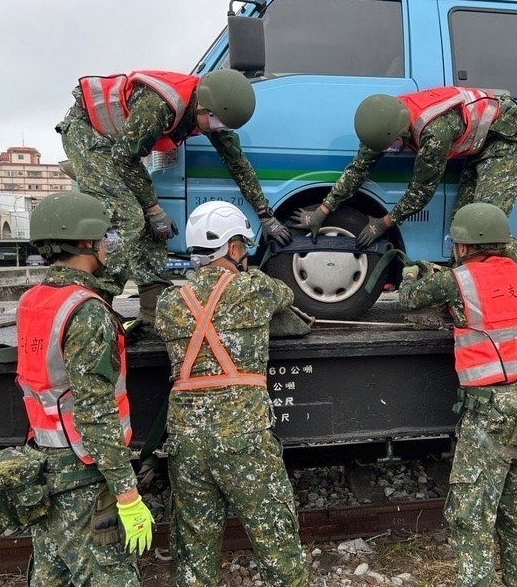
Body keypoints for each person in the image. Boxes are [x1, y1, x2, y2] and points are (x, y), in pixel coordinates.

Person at [56, 68, 291, 341]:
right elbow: (124, 158)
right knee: (129, 217)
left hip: (120, 145)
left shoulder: (211, 114)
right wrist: (154, 210)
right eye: (216, 123)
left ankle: (151, 311)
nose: (218, 130)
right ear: (203, 107)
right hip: (89, 135)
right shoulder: (160, 107)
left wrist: (265, 215)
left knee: (153, 227)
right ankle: (96, 308)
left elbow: (238, 164)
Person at [398, 203, 517, 587]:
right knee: (515, 513)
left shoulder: (459, 280)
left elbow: (410, 298)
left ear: (463, 245)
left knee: (470, 519)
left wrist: (410, 273)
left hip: (491, 415)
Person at [290, 86, 517, 325]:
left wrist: (384, 223)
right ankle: (459, 299)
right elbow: (358, 169)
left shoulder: (434, 132)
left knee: (483, 225)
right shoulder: (383, 122)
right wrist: (323, 210)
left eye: (394, 146)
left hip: (506, 140)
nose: (393, 150)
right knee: (462, 226)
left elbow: (421, 192)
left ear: (402, 132)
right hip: (478, 144)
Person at [155, 201, 308, 586]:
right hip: (244, 438)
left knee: (193, 553)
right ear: (235, 249)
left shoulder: (169, 302)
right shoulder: (254, 289)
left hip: (185, 442)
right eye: (242, 245)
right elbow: (286, 296)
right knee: (277, 546)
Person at [17, 192, 154, 585]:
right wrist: (127, 494)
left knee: (51, 573)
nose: (107, 245)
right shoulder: (87, 310)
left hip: (44, 461)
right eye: (103, 237)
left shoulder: (34, 301)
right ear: (84, 242)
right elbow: (94, 411)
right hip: (82, 471)